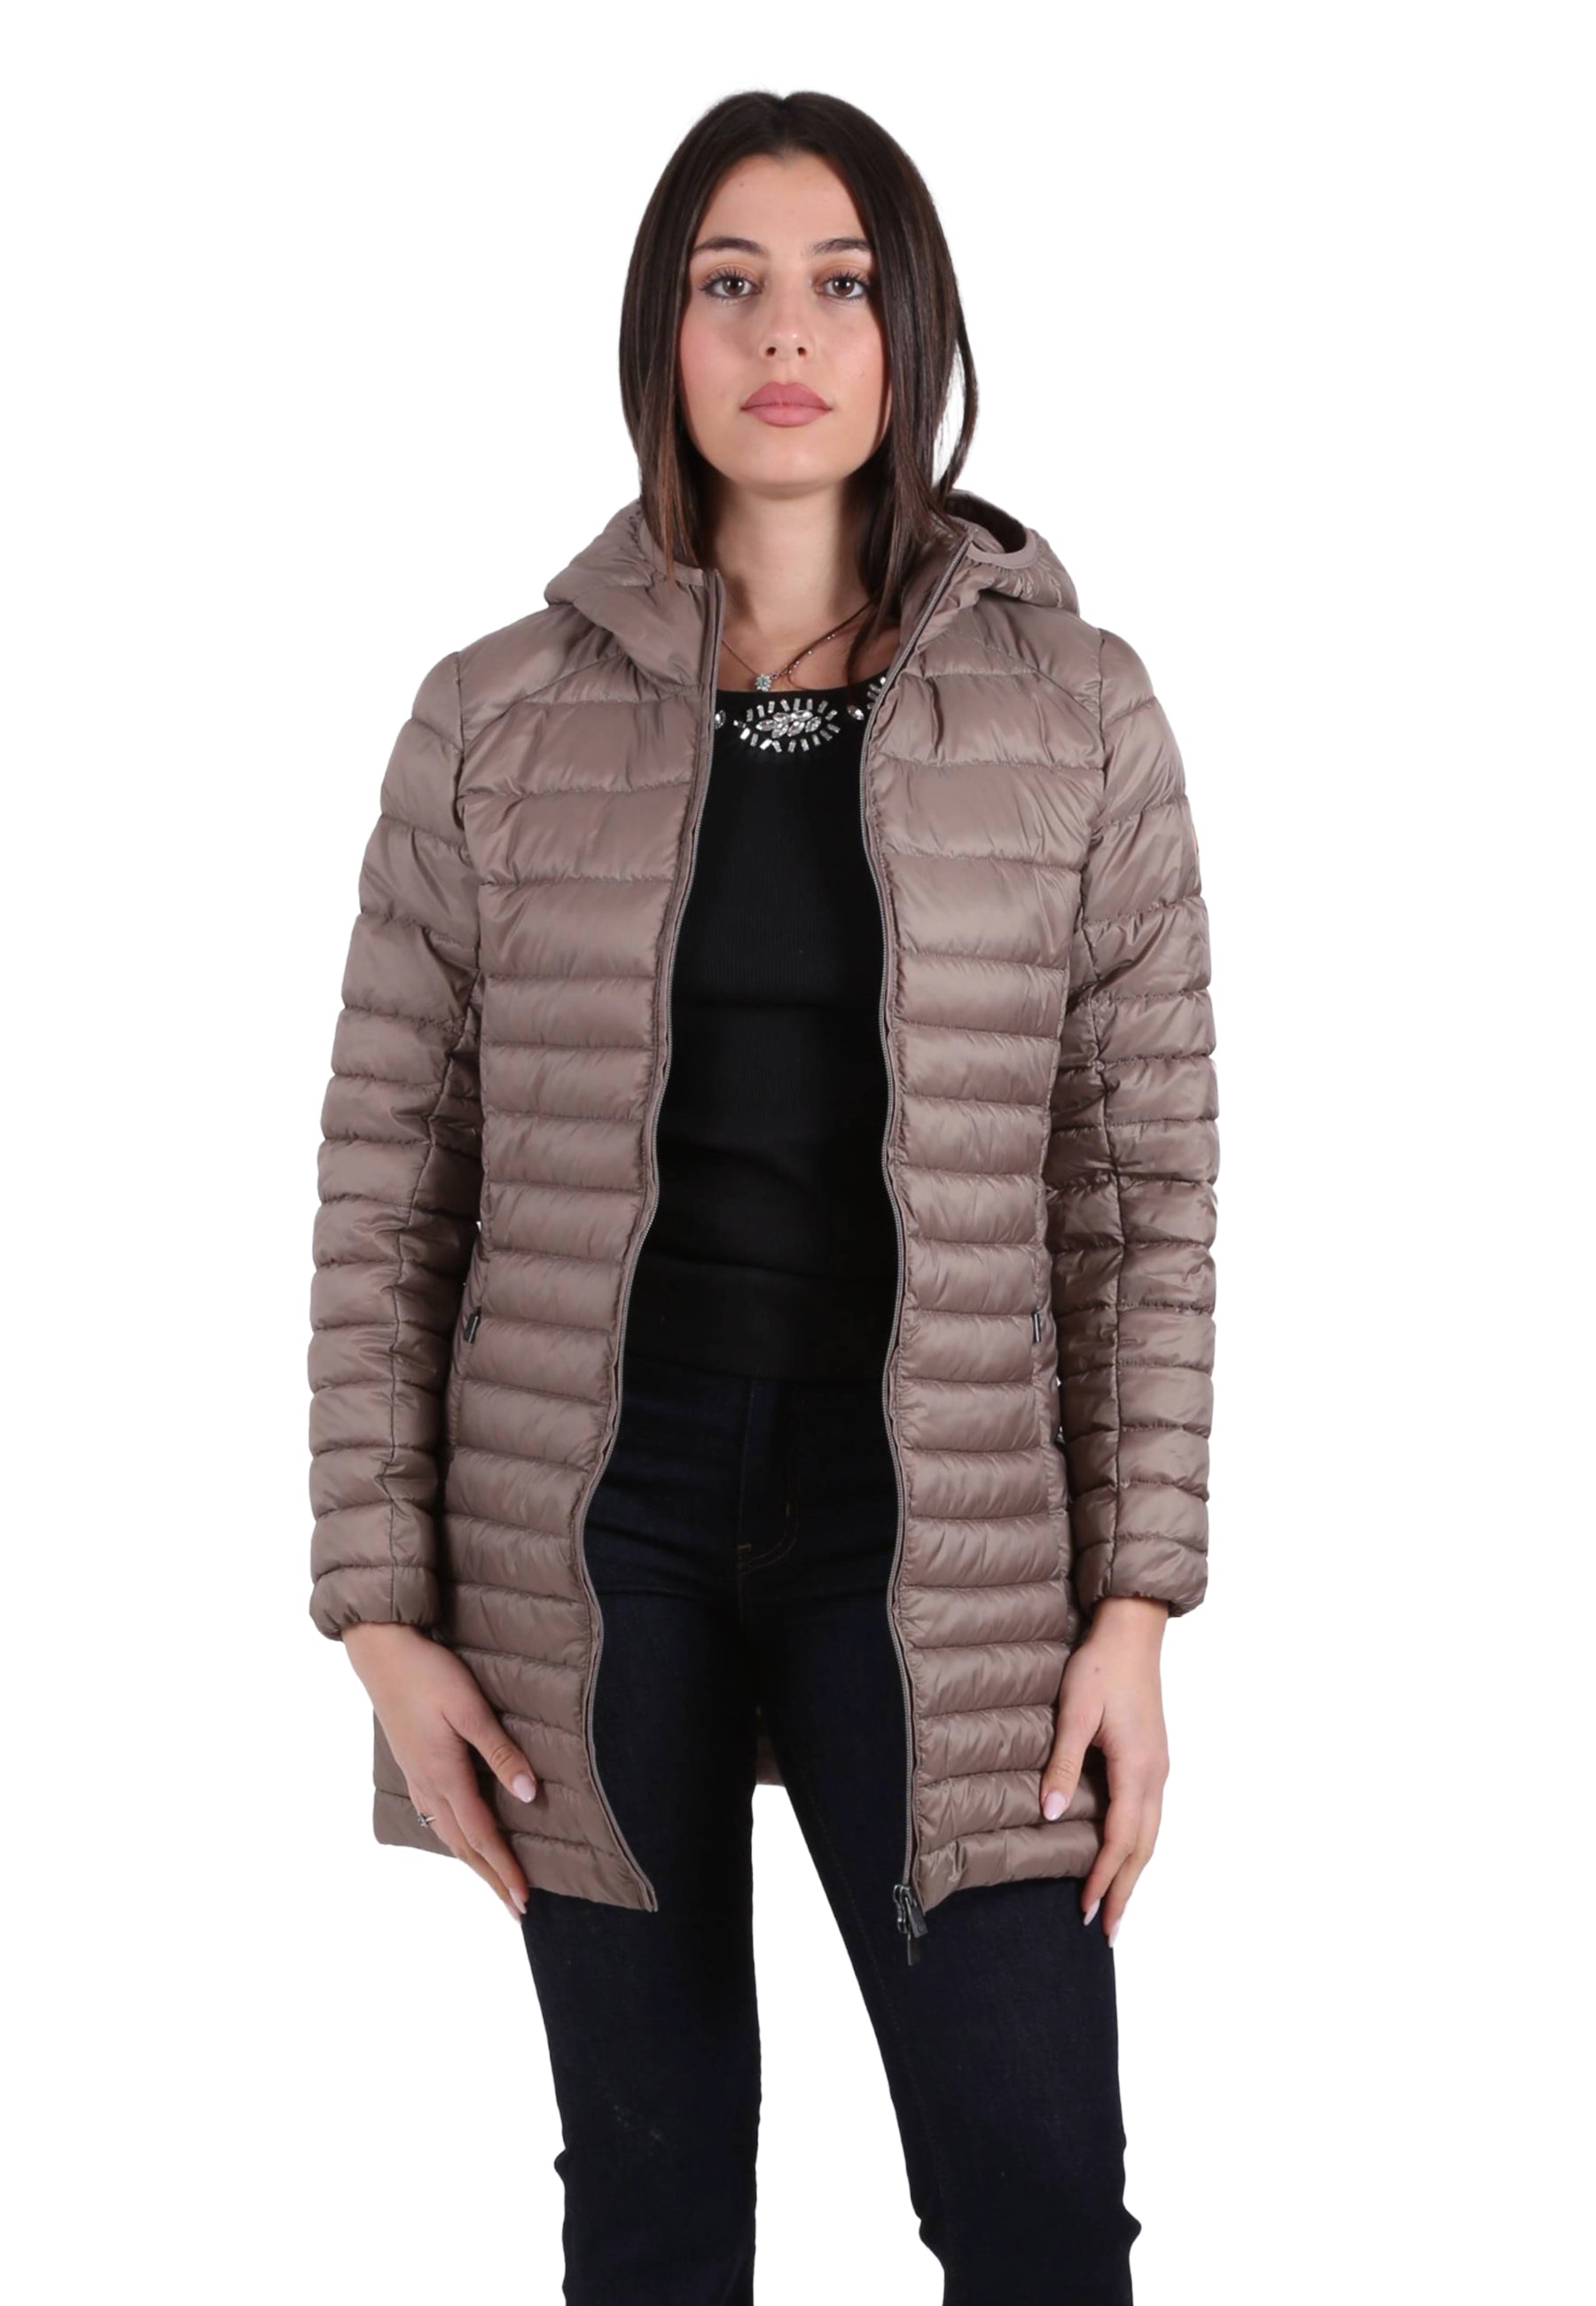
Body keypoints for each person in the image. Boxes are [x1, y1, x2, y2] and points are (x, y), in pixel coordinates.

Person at [308, 87, 1218, 2305]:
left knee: (1033, 2193)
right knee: (651, 2218)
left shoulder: (1082, 715)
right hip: (587, 1534)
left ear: (914, 335)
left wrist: (1136, 1601)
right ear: (665, 331)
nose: (784, 334)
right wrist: (379, 1615)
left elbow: (1142, 1193)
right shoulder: (490, 722)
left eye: (840, 284)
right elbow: (387, 1181)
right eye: (731, 283)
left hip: (945, 1531)